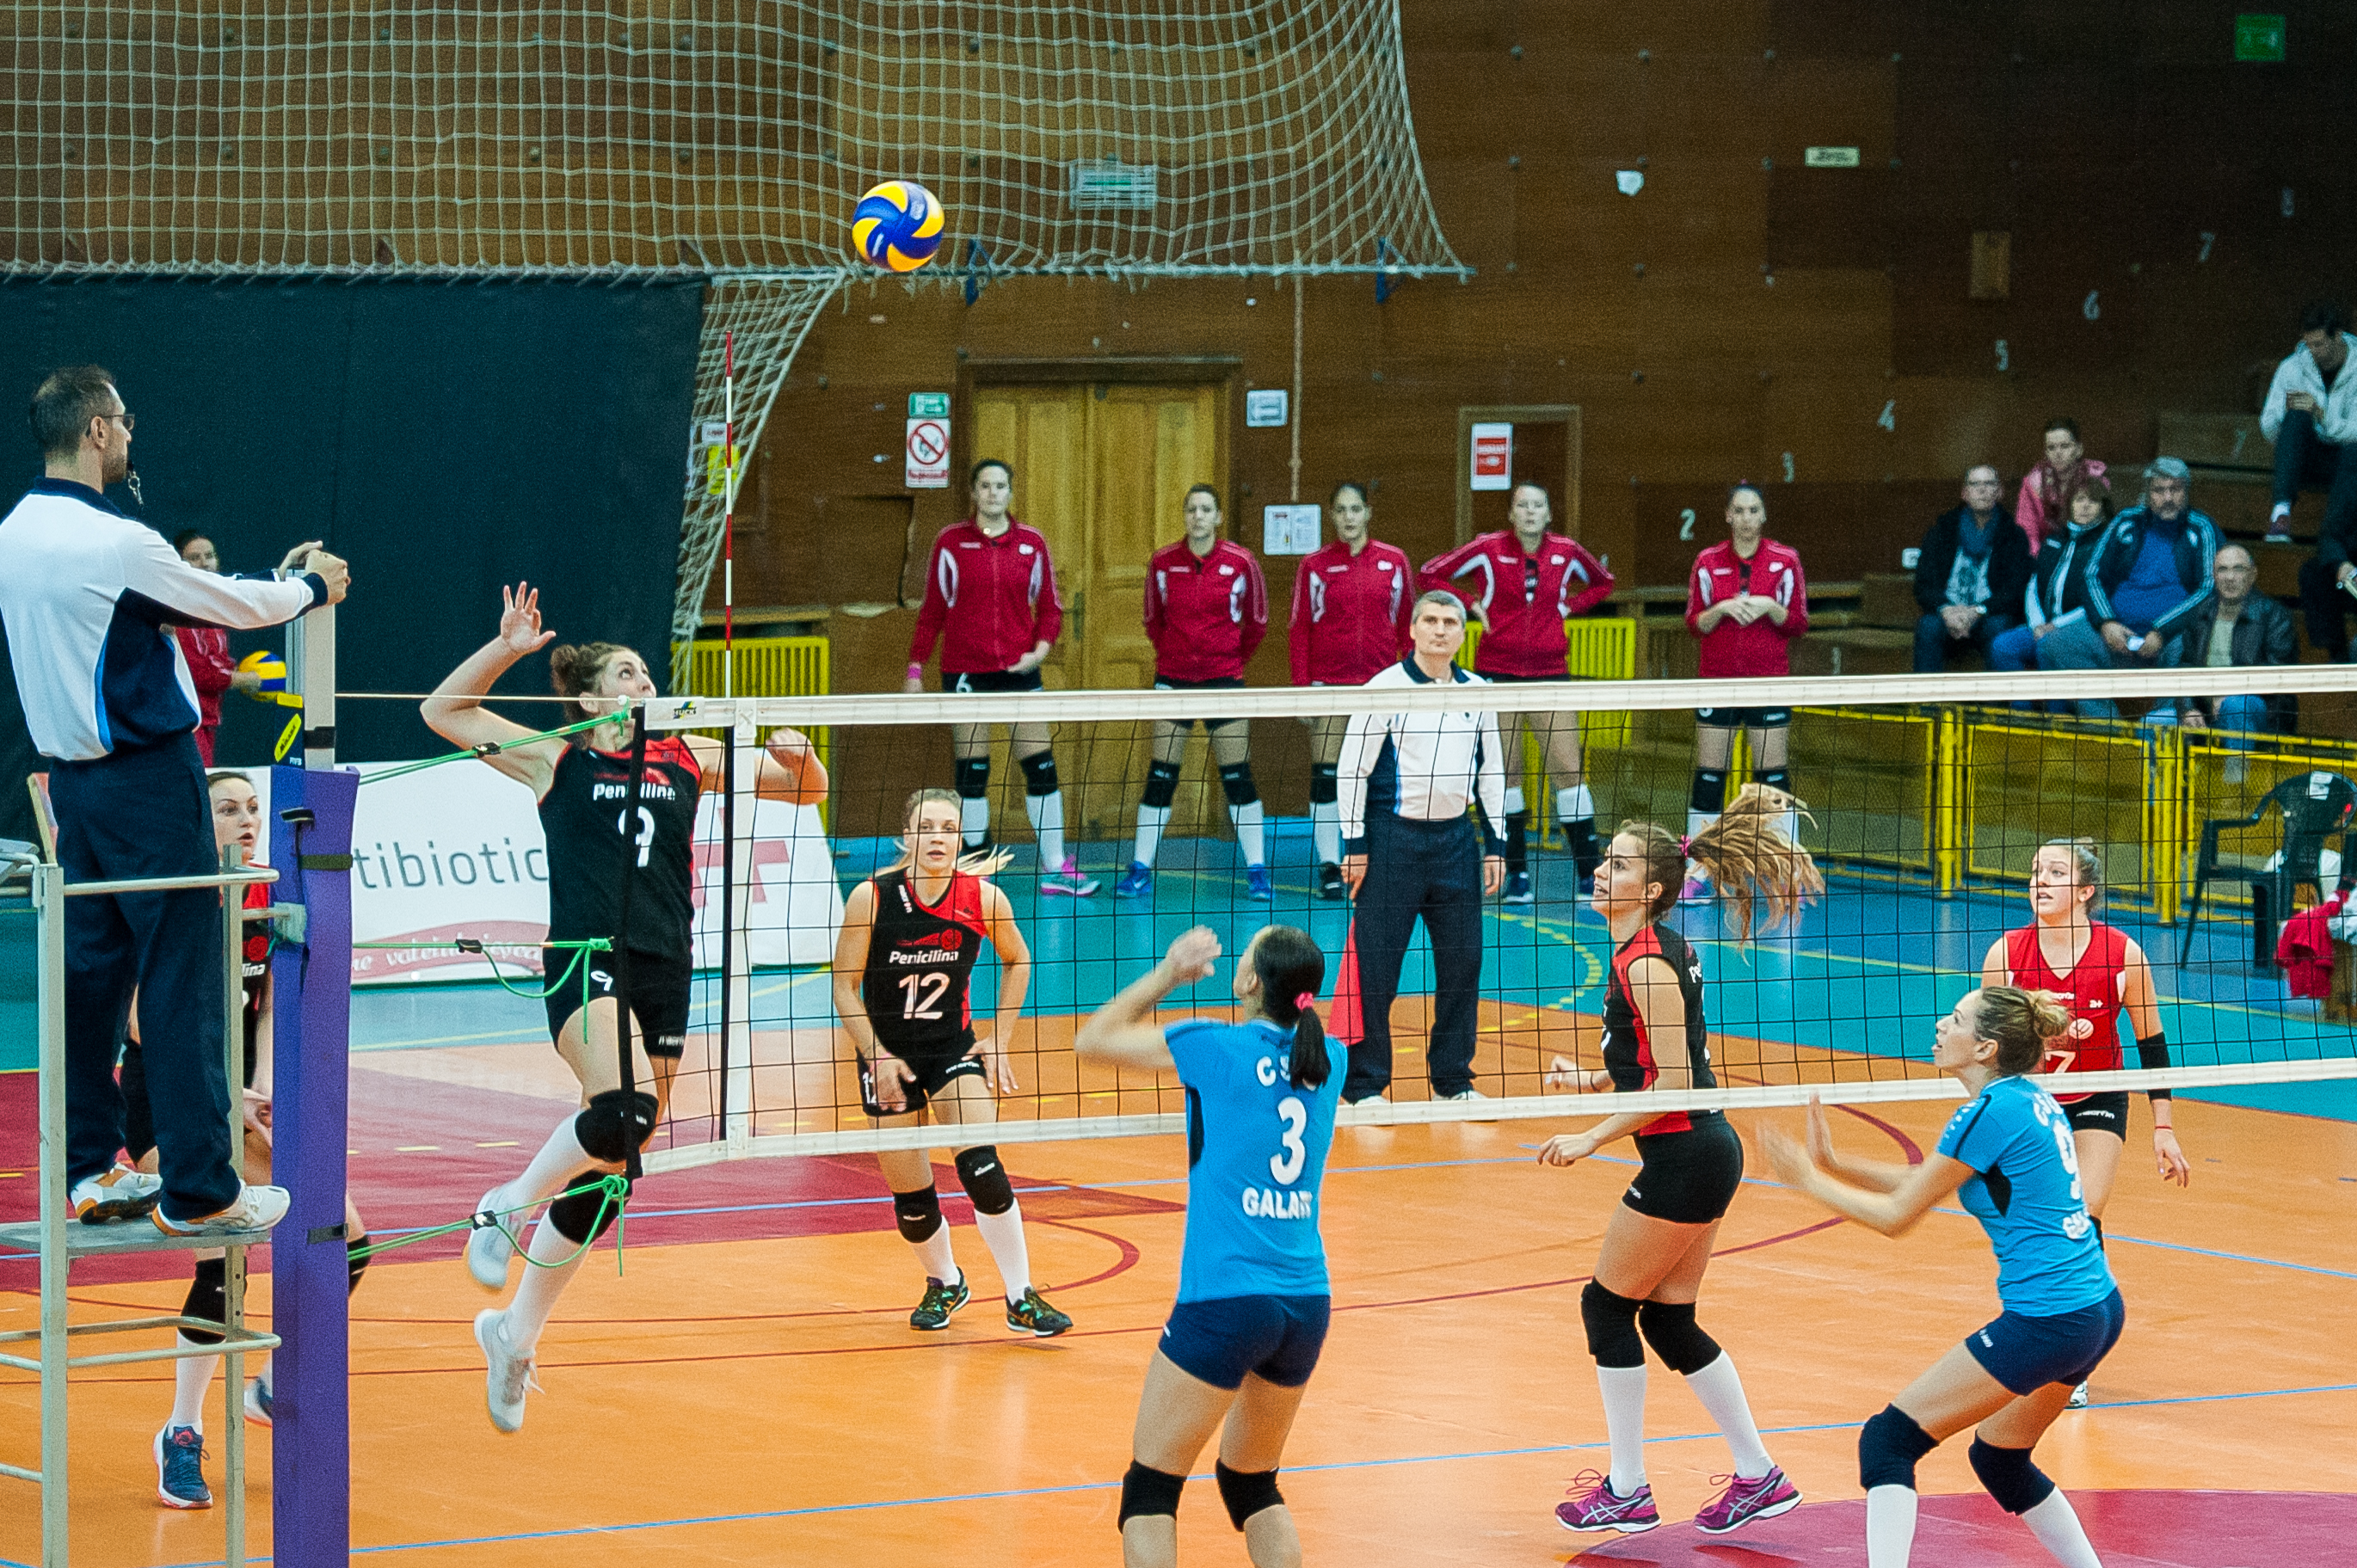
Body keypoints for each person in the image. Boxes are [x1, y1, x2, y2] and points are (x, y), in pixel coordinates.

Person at [422, 583, 827, 1430]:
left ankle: (515, 1335)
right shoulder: (555, 758)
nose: (645, 684)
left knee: (614, 1167)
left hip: (665, 965)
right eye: (627, 675)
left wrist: (796, 750)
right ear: (590, 697)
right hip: (585, 956)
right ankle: (506, 1202)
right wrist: (508, 649)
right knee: (623, 1110)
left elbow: (807, 789)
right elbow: (443, 710)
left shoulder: (689, 755)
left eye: (648, 674)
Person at [0, 365, 347, 1238]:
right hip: (150, 781)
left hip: (73, 786)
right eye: (122, 420)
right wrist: (311, 587)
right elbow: (226, 603)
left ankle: (90, 1169)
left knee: (90, 979)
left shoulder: (13, 534)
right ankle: (200, 1188)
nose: (129, 433)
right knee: (184, 977)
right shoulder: (113, 540)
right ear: (96, 431)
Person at [1763, 988, 2126, 1568]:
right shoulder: (2025, 1099)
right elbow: (1932, 1181)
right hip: (2097, 1310)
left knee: (1888, 1441)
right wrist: (1834, 1164)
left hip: (2050, 1318)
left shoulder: (1987, 1113)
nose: (1940, 1024)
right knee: (2001, 1458)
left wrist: (1807, 1180)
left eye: (1955, 1020)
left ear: (1984, 1047)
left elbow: (1897, 1216)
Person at [1541, 785, 1820, 1538]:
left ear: (1653, 890)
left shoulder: (1646, 964)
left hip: (1687, 1152)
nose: (1602, 870)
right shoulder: (1647, 951)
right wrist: (1591, 1079)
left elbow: (1674, 1080)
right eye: (1605, 859)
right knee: (1668, 1320)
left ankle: (1627, 1489)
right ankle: (1759, 1475)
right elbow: (1659, 1058)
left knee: (1606, 1307)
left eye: (1620, 864)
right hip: (1697, 1150)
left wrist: (1591, 1136)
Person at [131, 770, 371, 1508]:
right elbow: (140, 1022)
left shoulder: (263, 895)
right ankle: (181, 1431)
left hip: (237, 1099)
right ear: (195, 819)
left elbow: (265, 1010)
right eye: (227, 808)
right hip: (170, 1105)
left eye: (252, 807)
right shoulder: (169, 895)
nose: (245, 819)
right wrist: (223, 1093)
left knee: (347, 1238)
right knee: (222, 1257)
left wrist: (265, 1087)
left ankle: (270, 1383)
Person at [1074, 924, 1339, 1568]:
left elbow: (1092, 1040)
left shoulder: (1214, 1045)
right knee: (1251, 1480)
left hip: (1225, 1298)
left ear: (1248, 981)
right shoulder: (1329, 1060)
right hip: (1306, 1303)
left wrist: (1170, 973)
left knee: (1150, 1489)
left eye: (1244, 958)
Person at [832, 787, 1072, 1336]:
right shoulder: (871, 899)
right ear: (906, 837)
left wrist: (1000, 1038)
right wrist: (876, 1056)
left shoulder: (984, 898)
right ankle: (945, 1281)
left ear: (960, 838)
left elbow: (1019, 960)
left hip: (951, 1049)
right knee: (913, 1203)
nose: (937, 837)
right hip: (885, 1055)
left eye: (948, 828)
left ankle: (1021, 1296)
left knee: (982, 1167)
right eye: (926, 827)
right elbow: (844, 987)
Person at [1979, 839, 2189, 1408]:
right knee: (2034, 1227)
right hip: (2028, 1103)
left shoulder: (2123, 954)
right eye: (2035, 871)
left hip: (2099, 1096)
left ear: (2085, 890)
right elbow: (1986, 1049)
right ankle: (2038, 1337)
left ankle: (2072, 1366)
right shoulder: (2006, 953)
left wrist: (2163, 1127)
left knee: (2081, 1215)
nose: (2039, 881)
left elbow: (2152, 1044)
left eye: (2055, 872)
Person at [1335, 590, 1505, 1107]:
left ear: (1461, 634)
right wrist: (1355, 843)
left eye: (1450, 622)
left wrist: (1497, 844)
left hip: (1457, 842)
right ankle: (1364, 1085)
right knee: (1376, 968)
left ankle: (1454, 1081)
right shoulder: (1383, 688)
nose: (1439, 630)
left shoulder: (1479, 691)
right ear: (1411, 629)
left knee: (1463, 964)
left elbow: (1492, 772)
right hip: (1392, 842)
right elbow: (1352, 769)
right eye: (1430, 620)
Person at [904, 458, 1096, 896]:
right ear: (974, 493)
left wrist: (1039, 652)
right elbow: (932, 610)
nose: (993, 493)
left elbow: (1051, 608)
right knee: (972, 773)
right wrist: (915, 669)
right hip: (965, 672)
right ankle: (976, 863)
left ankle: (1055, 866)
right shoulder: (950, 542)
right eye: (985, 486)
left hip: (1018, 672)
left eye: (1001, 486)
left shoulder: (1031, 543)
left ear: (1011, 492)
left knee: (1041, 767)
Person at [1419, 482, 1615, 900]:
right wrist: (1469, 603)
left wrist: (1569, 607)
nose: (1530, 512)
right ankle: (1517, 875)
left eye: (1538, 505)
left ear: (1548, 514)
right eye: (1522, 505)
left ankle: (1590, 873)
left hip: (1549, 674)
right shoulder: (1488, 548)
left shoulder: (1566, 551)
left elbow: (1604, 583)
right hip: (1498, 674)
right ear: (1511, 513)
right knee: (1505, 774)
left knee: (1569, 772)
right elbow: (1428, 574)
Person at [1118, 485, 1272, 902]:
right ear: (1184, 515)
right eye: (1192, 509)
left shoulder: (1241, 562)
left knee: (1238, 776)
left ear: (1218, 516)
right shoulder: (1163, 562)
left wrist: (1229, 660)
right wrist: (1175, 657)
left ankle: (1257, 871)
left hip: (1224, 679)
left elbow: (1257, 623)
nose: (1198, 516)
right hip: (1174, 680)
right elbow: (1153, 620)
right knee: (1161, 775)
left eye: (1206, 509)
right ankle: (1140, 869)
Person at [1288, 481, 1415, 901]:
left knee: (1382, 778)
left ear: (1368, 513)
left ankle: (1378, 862)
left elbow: (1407, 627)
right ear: (1331, 515)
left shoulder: (1394, 561)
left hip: (1381, 689)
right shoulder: (1314, 566)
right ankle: (1329, 866)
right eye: (1341, 509)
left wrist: (1412, 683)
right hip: (1329, 687)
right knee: (1327, 776)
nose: (1348, 517)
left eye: (1355, 509)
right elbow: (1299, 628)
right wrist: (1303, 689)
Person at [1684, 485, 1807, 898]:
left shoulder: (1785, 560)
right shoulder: (1708, 561)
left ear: (1763, 515)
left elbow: (1799, 623)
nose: (1747, 518)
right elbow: (1694, 623)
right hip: (1717, 681)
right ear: (1728, 516)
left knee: (1771, 777)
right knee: (1709, 775)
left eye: (1754, 510)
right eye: (1739, 510)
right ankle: (1698, 870)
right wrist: (1720, 610)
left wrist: (1771, 607)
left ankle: (1784, 867)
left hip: (1767, 682)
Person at [2035, 458, 2219, 719]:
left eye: (2175, 489)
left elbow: (2209, 588)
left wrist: (2162, 630)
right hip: (2116, 633)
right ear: (2148, 493)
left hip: (2171, 637)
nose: (2168, 497)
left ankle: (2159, 729)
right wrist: (2106, 623)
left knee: (2189, 645)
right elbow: (2092, 574)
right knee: (2055, 644)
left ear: (2186, 492)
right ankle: (2106, 728)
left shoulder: (2202, 528)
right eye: (2159, 490)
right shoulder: (2126, 521)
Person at [2152, 544, 2297, 740]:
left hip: (2261, 711)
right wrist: (2188, 709)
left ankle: (2236, 763)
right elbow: (2186, 669)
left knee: (2234, 706)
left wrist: (2229, 696)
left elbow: (2277, 676)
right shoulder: (2199, 615)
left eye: (2238, 569)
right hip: (2205, 711)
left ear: (2253, 575)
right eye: (2222, 569)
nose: (2230, 577)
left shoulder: (2275, 616)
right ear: (2214, 576)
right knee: (2154, 722)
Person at [1987, 475, 2111, 689]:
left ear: (2102, 506)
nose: (2085, 506)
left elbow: (2101, 597)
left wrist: (2056, 626)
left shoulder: (2106, 543)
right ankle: (2022, 706)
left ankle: (2055, 708)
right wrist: (2037, 624)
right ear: (2070, 504)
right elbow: (2033, 586)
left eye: (2093, 501)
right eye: (2079, 499)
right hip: (2041, 625)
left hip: (2078, 628)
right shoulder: (2054, 540)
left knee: (2048, 646)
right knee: (2002, 646)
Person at [1911, 465, 2031, 673]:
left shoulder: (2013, 535)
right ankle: (1926, 695)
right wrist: (1946, 610)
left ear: (1999, 492)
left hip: (1988, 614)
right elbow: (1924, 583)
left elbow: (2015, 589)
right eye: (1975, 484)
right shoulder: (1942, 530)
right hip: (1948, 613)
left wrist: (1978, 611)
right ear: (1964, 493)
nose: (1982, 490)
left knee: (1999, 628)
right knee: (1928, 627)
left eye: (1989, 484)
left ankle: (1997, 695)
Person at [2259, 298, 2357, 544]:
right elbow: (2268, 426)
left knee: (2354, 451)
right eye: (2309, 343)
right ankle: (2280, 515)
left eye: (2320, 344)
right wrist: (2287, 415)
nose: (2313, 350)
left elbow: (2355, 431)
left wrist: (2320, 414)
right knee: (2295, 415)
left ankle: (2332, 538)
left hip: (2347, 462)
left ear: (2338, 336)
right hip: (2306, 460)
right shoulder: (2292, 367)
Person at [169, 531, 264, 765]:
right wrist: (241, 679)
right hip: (185, 722)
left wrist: (236, 671)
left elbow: (216, 658)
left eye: (209, 556)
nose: (205, 564)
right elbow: (197, 671)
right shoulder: (176, 610)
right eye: (194, 558)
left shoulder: (213, 608)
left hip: (208, 719)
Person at [2013, 418, 2107, 556]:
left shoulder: (2094, 480)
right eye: (2051, 448)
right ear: (2046, 453)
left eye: (2065, 446)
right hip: (2044, 555)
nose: (2058, 453)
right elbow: (2027, 533)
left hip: (2088, 553)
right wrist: (2044, 559)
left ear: (2079, 449)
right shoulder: (2033, 484)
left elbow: (2104, 528)